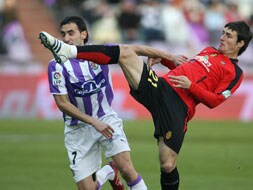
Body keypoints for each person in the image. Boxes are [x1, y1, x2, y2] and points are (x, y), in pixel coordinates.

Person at [39, 20, 252, 189]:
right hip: (161, 87)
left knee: (167, 164)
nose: (222, 37)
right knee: (125, 52)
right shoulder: (208, 50)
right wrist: (165, 61)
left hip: (179, 107)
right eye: (223, 32)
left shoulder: (235, 73)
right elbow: (186, 68)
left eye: (228, 35)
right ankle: (70, 52)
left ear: (240, 43)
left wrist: (191, 86)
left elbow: (215, 101)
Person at [45, 16, 147, 190]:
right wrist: (93, 122)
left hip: (106, 118)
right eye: (63, 34)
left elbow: (131, 49)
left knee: (127, 170)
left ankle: (114, 170)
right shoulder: (56, 65)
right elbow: (62, 104)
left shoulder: (101, 54)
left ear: (83, 34)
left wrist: (166, 56)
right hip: (77, 130)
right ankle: (109, 171)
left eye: (71, 33)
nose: (66, 38)